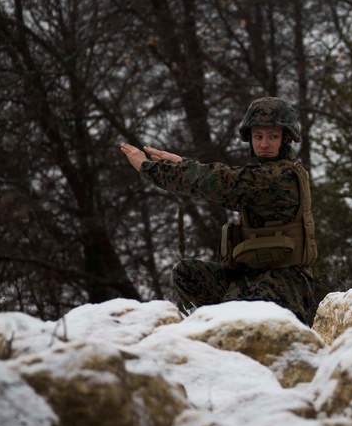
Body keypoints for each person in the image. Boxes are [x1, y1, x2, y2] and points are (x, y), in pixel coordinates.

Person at [120, 97, 318, 324]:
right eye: (258, 136)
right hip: (251, 276)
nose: (264, 144)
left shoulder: (277, 178)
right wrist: (182, 163)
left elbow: (219, 183)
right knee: (187, 273)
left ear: (287, 139)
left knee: (233, 320)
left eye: (272, 136)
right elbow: (221, 182)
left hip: (283, 284)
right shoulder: (266, 175)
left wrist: (150, 169)